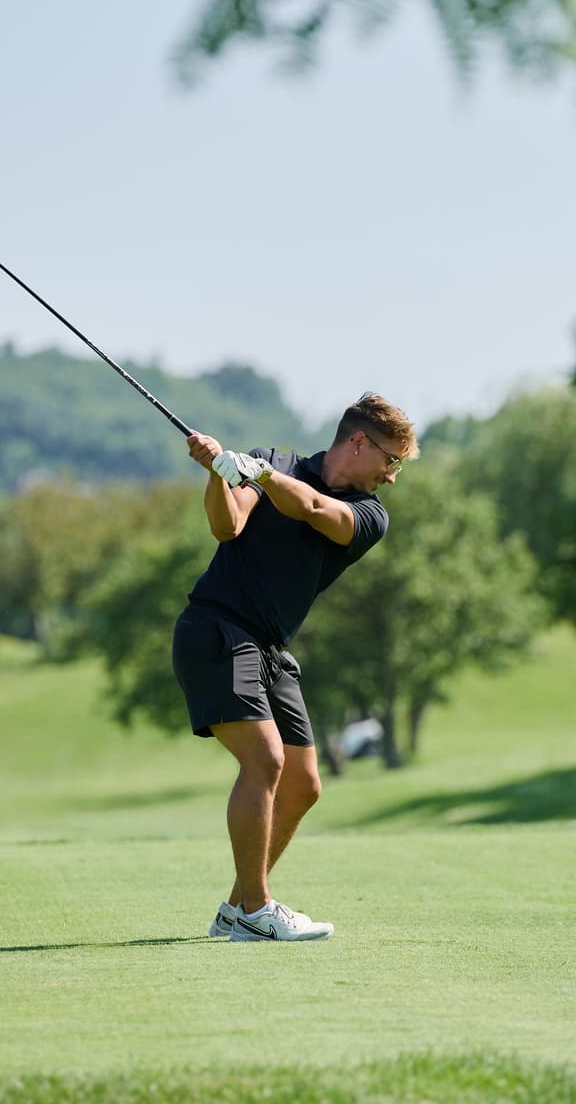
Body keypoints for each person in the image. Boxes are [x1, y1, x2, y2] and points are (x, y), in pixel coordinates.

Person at [174, 393, 417, 942]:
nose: (391, 476)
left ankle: (236, 908)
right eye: (391, 461)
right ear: (359, 442)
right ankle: (258, 909)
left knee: (304, 784)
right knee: (265, 760)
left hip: (270, 649)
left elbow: (312, 509)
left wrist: (258, 474)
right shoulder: (272, 463)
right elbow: (226, 527)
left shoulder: (370, 514)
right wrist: (217, 473)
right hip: (221, 630)